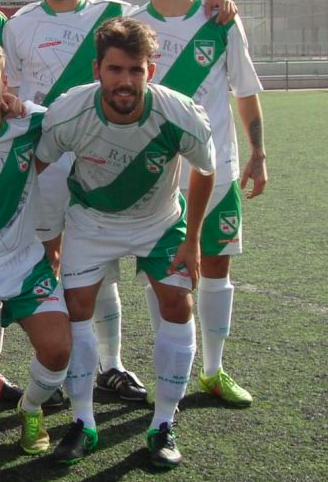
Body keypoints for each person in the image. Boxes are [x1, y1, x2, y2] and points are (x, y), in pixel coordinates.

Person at [2, 0, 236, 402]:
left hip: (102, 142)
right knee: (36, 255)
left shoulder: (117, 9)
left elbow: (166, 14)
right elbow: (14, 82)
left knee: (97, 267)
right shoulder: (18, 23)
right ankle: (46, 375)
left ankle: (111, 366)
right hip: (43, 149)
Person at [35, 17, 215, 467]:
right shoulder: (69, 112)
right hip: (91, 222)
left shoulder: (178, 113)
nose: (126, 80)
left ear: (149, 71)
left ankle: (163, 424)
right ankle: (82, 422)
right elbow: (37, 167)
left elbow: (206, 171)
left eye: (136, 69)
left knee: (178, 304)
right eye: (116, 69)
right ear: (97, 69)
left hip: (158, 221)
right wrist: (47, 238)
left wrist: (192, 240)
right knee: (77, 308)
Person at [134, 0, 267, 406]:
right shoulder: (134, 22)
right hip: (157, 174)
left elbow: (244, 91)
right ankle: (168, 372)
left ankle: (213, 370)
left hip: (216, 169)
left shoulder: (222, 18)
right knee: (163, 274)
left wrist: (258, 154)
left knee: (217, 265)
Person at [0, 46, 71, 455]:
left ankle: (31, 408)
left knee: (58, 349)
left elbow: (86, 115)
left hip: (24, 263)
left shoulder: (29, 121)